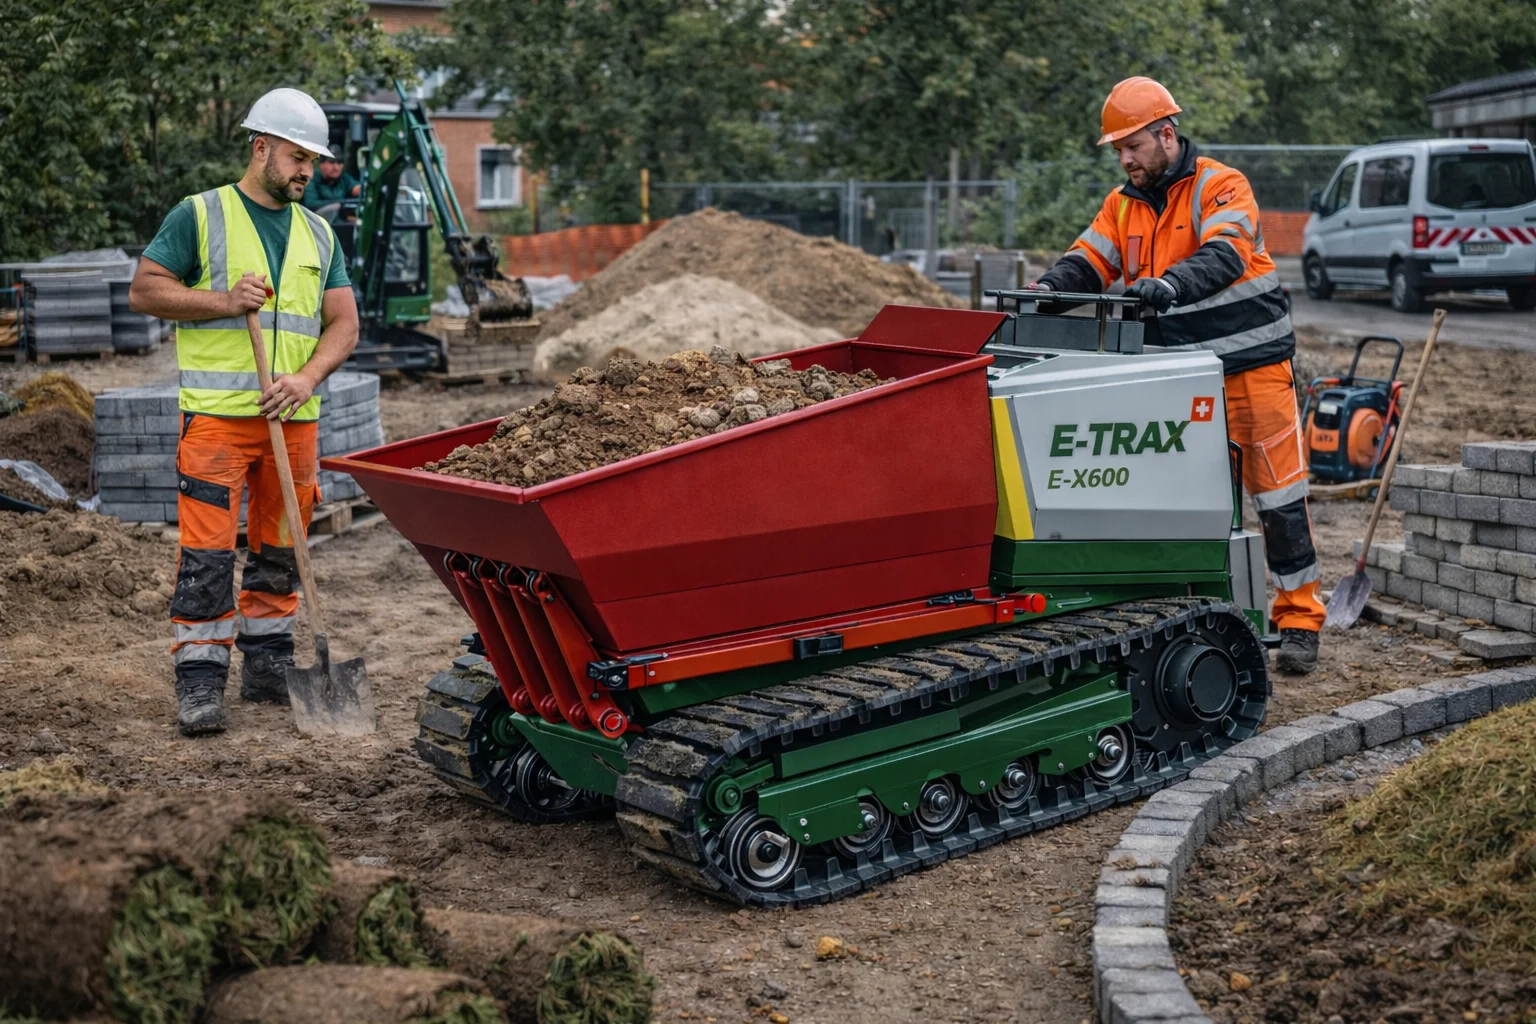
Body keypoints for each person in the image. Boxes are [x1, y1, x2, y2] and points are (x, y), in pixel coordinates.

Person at [1031, 76, 1323, 675]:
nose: (1125, 158)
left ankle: (1298, 620)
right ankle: (1203, 616)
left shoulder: (1222, 185)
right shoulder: (1123, 202)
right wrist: (1045, 293)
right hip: (1179, 382)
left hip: (1252, 371)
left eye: (1132, 145)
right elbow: (1088, 259)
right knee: (1187, 505)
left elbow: (1225, 255)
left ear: (1167, 135)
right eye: (1118, 150)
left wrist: (1168, 285)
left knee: (1279, 498)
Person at [129, 87, 360, 735]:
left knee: (280, 550)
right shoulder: (200, 214)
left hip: (294, 421)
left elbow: (344, 323)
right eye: (296, 156)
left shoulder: (318, 231)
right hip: (218, 421)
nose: (307, 170)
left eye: (313, 159)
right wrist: (224, 302)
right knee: (206, 556)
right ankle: (200, 682)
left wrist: (307, 375)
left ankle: (268, 667)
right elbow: (145, 291)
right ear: (261, 148)